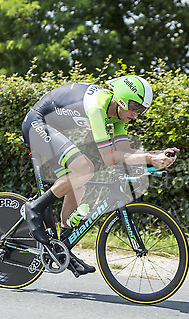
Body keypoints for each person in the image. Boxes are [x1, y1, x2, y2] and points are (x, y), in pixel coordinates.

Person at [21, 75, 179, 275]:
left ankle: (63, 248)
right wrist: (149, 157)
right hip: (37, 123)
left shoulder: (120, 116)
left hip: (54, 129)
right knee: (84, 169)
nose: (136, 114)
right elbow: (109, 157)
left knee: (78, 184)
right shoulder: (98, 106)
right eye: (134, 107)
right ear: (121, 99)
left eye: (141, 110)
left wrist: (156, 155)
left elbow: (125, 152)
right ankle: (34, 208)